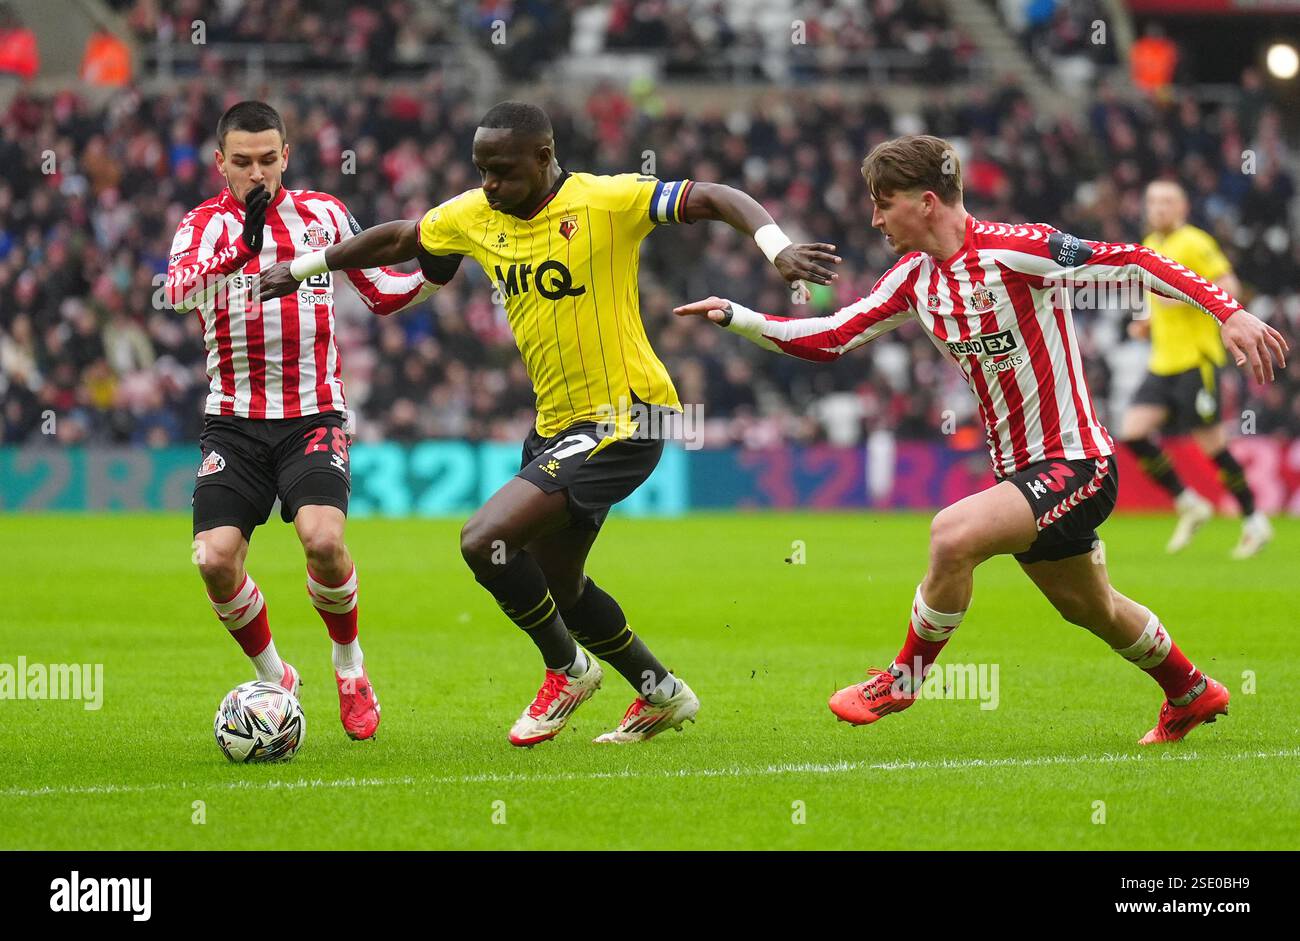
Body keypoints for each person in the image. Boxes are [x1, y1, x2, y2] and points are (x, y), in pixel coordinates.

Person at [258, 101, 838, 745]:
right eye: (481, 170)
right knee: (560, 582)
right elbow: (402, 237)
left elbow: (715, 196)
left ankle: (566, 669)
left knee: (484, 540)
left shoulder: (607, 199)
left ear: (544, 157)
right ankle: (660, 693)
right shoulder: (476, 215)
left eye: (502, 171)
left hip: (630, 415)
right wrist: (306, 268)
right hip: (559, 426)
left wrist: (776, 249)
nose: (489, 185)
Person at [673, 135, 1286, 744]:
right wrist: (739, 317)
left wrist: (1227, 311)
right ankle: (1190, 690)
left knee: (952, 535)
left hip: (1077, 462)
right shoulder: (913, 280)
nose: (875, 218)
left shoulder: (1020, 251)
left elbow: (1132, 260)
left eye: (885, 203)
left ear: (929, 201)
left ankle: (904, 678)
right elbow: (831, 336)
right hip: (1019, 473)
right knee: (1091, 609)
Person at [166, 101, 443, 740]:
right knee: (213, 558)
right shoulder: (202, 226)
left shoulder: (324, 215)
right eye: (242, 162)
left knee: (322, 540)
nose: (256, 173)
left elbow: (381, 293)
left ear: (286, 155)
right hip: (233, 421)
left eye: (268, 159)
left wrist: (432, 277)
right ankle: (276, 675)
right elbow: (178, 294)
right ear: (220, 164)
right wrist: (244, 246)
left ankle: (349, 665)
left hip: (313, 414)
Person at [1122, 180, 1270, 558]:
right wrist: (1148, 323)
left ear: (1183, 207)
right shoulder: (1150, 245)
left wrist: (1186, 299)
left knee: (1212, 446)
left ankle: (1255, 520)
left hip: (1196, 361)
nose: (1158, 207)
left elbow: (1229, 284)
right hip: (1163, 362)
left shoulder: (1195, 242)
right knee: (1132, 432)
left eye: (1167, 200)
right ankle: (1189, 503)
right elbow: (1161, 304)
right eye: (1152, 200)